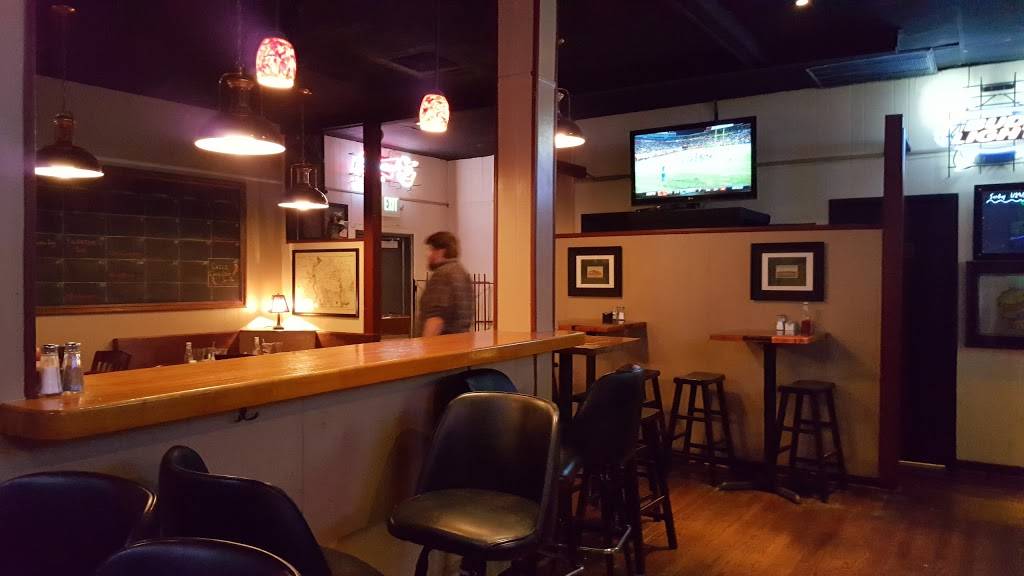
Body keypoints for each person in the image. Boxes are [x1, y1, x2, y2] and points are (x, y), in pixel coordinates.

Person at [419, 231, 474, 336]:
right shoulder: (462, 272)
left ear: (441, 252)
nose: (427, 255)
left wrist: (426, 344)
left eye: (431, 249)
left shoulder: (442, 275)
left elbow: (435, 319)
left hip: (442, 343)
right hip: (462, 341)